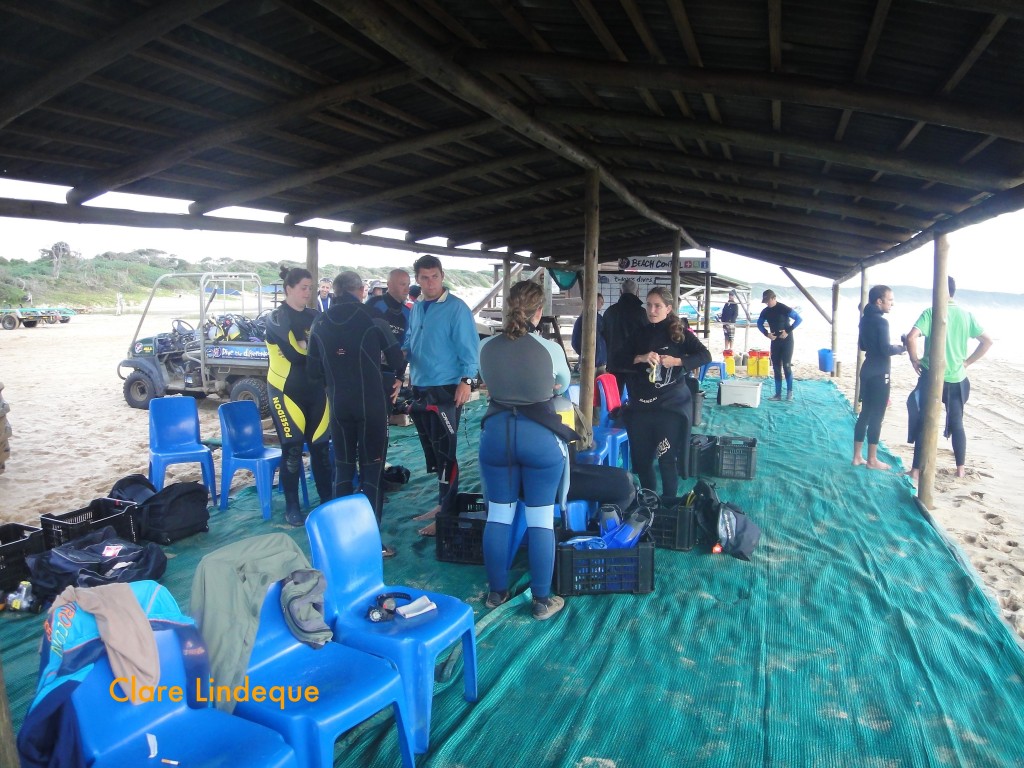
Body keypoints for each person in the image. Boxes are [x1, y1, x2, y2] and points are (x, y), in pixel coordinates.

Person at [478, 279, 571, 621]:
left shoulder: (486, 346)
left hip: (497, 436)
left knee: (499, 515)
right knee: (540, 518)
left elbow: (486, 379)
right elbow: (562, 384)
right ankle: (543, 601)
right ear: (538, 311)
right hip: (538, 438)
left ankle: (496, 593)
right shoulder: (550, 349)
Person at [308, 271, 407, 557]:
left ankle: (340, 541)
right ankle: (370, 543)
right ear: (361, 290)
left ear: (336, 291)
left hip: (338, 405)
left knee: (343, 468)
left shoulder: (319, 320)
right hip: (371, 404)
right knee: (371, 472)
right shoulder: (372, 316)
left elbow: (313, 371)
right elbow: (398, 360)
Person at [403, 255, 480, 532]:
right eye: (424, 277)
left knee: (446, 451)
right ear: (417, 279)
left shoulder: (457, 308)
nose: (430, 282)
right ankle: (441, 504)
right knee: (433, 451)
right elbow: (410, 342)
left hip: (447, 388)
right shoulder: (417, 307)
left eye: (434, 276)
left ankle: (446, 514)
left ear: (442, 275)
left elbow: (471, 350)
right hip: (421, 385)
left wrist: (467, 381)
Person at [622, 287, 711, 498]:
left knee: (666, 459)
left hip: (670, 406)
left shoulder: (678, 332)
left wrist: (677, 361)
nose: (652, 310)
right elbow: (619, 360)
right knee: (642, 461)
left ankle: (669, 504)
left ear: (668, 308)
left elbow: (705, 355)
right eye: (649, 305)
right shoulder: (639, 332)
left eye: (657, 306)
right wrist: (641, 357)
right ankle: (650, 502)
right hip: (641, 406)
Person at [905, 276, 992, 480]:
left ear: (940, 291)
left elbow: (911, 337)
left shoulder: (931, 312)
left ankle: (916, 471)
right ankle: (960, 470)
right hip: (957, 379)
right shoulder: (966, 315)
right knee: (957, 423)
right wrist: (967, 362)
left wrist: (914, 359)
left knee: (923, 421)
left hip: (932, 378)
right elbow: (987, 341)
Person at [264, 266, 332, 525]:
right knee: (292, 450)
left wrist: (310, 347)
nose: (308, 292)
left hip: (316, 392)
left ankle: (327, 502)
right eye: (303, 287)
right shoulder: (277, 317)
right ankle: (292, 506)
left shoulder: (316, 316)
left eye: (310, 287)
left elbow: (325, 349)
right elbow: (293, 353)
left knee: (321, 450)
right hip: (285, 391)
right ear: (288, 289)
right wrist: (314, 349)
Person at [853, 285, 906, 470]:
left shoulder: (864, 320)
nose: (892, 304)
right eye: (890, 300)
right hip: (879, 373)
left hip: (866, 371)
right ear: (879, 301)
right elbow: (885, 349)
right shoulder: (882, 322)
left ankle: (857, 457)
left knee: (864, 414)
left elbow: (862, 346)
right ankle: (872, 460)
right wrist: (902, 348)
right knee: (877, 416)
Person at [369, 269, 412, 401]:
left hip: (390, 375)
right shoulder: (374, 304)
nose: (407, 289)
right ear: (389, 285)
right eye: (402, 284)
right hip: (369, 372)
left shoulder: (408, 313)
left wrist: (400, 377)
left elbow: (407, 345)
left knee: (384, 418)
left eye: (408, 285)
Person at [602, 278, 649, 399]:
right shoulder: (642, 313)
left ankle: (615, 417)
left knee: (614, 399)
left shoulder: (609, 312)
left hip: (615, 362)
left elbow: (603, 336)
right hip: (636, 363)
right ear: (637, 292)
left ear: (620, 292)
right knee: (637, 399)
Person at [757, 289, 802, 401]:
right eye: (765, 301)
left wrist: (788, 331)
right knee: (776, 367)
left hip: (787, 341)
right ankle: (778, 394)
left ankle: (789, 393)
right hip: (775, 341)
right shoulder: (765, 311)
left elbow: (798, 319)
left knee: (786, 366)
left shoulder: (783, 308)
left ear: (774, 298)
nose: (767, 303)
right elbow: (759, 323)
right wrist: (766, 334)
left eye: (768, 301)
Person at [571, 293, 607, 375]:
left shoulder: (601, 319)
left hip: (601, 361)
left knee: (600, 386)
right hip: (588, 361)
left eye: (602, 302)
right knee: (588, 386)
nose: (602, 304)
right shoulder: (582, 320)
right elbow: (575, 341)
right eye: (600, 301)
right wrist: (584, 354)